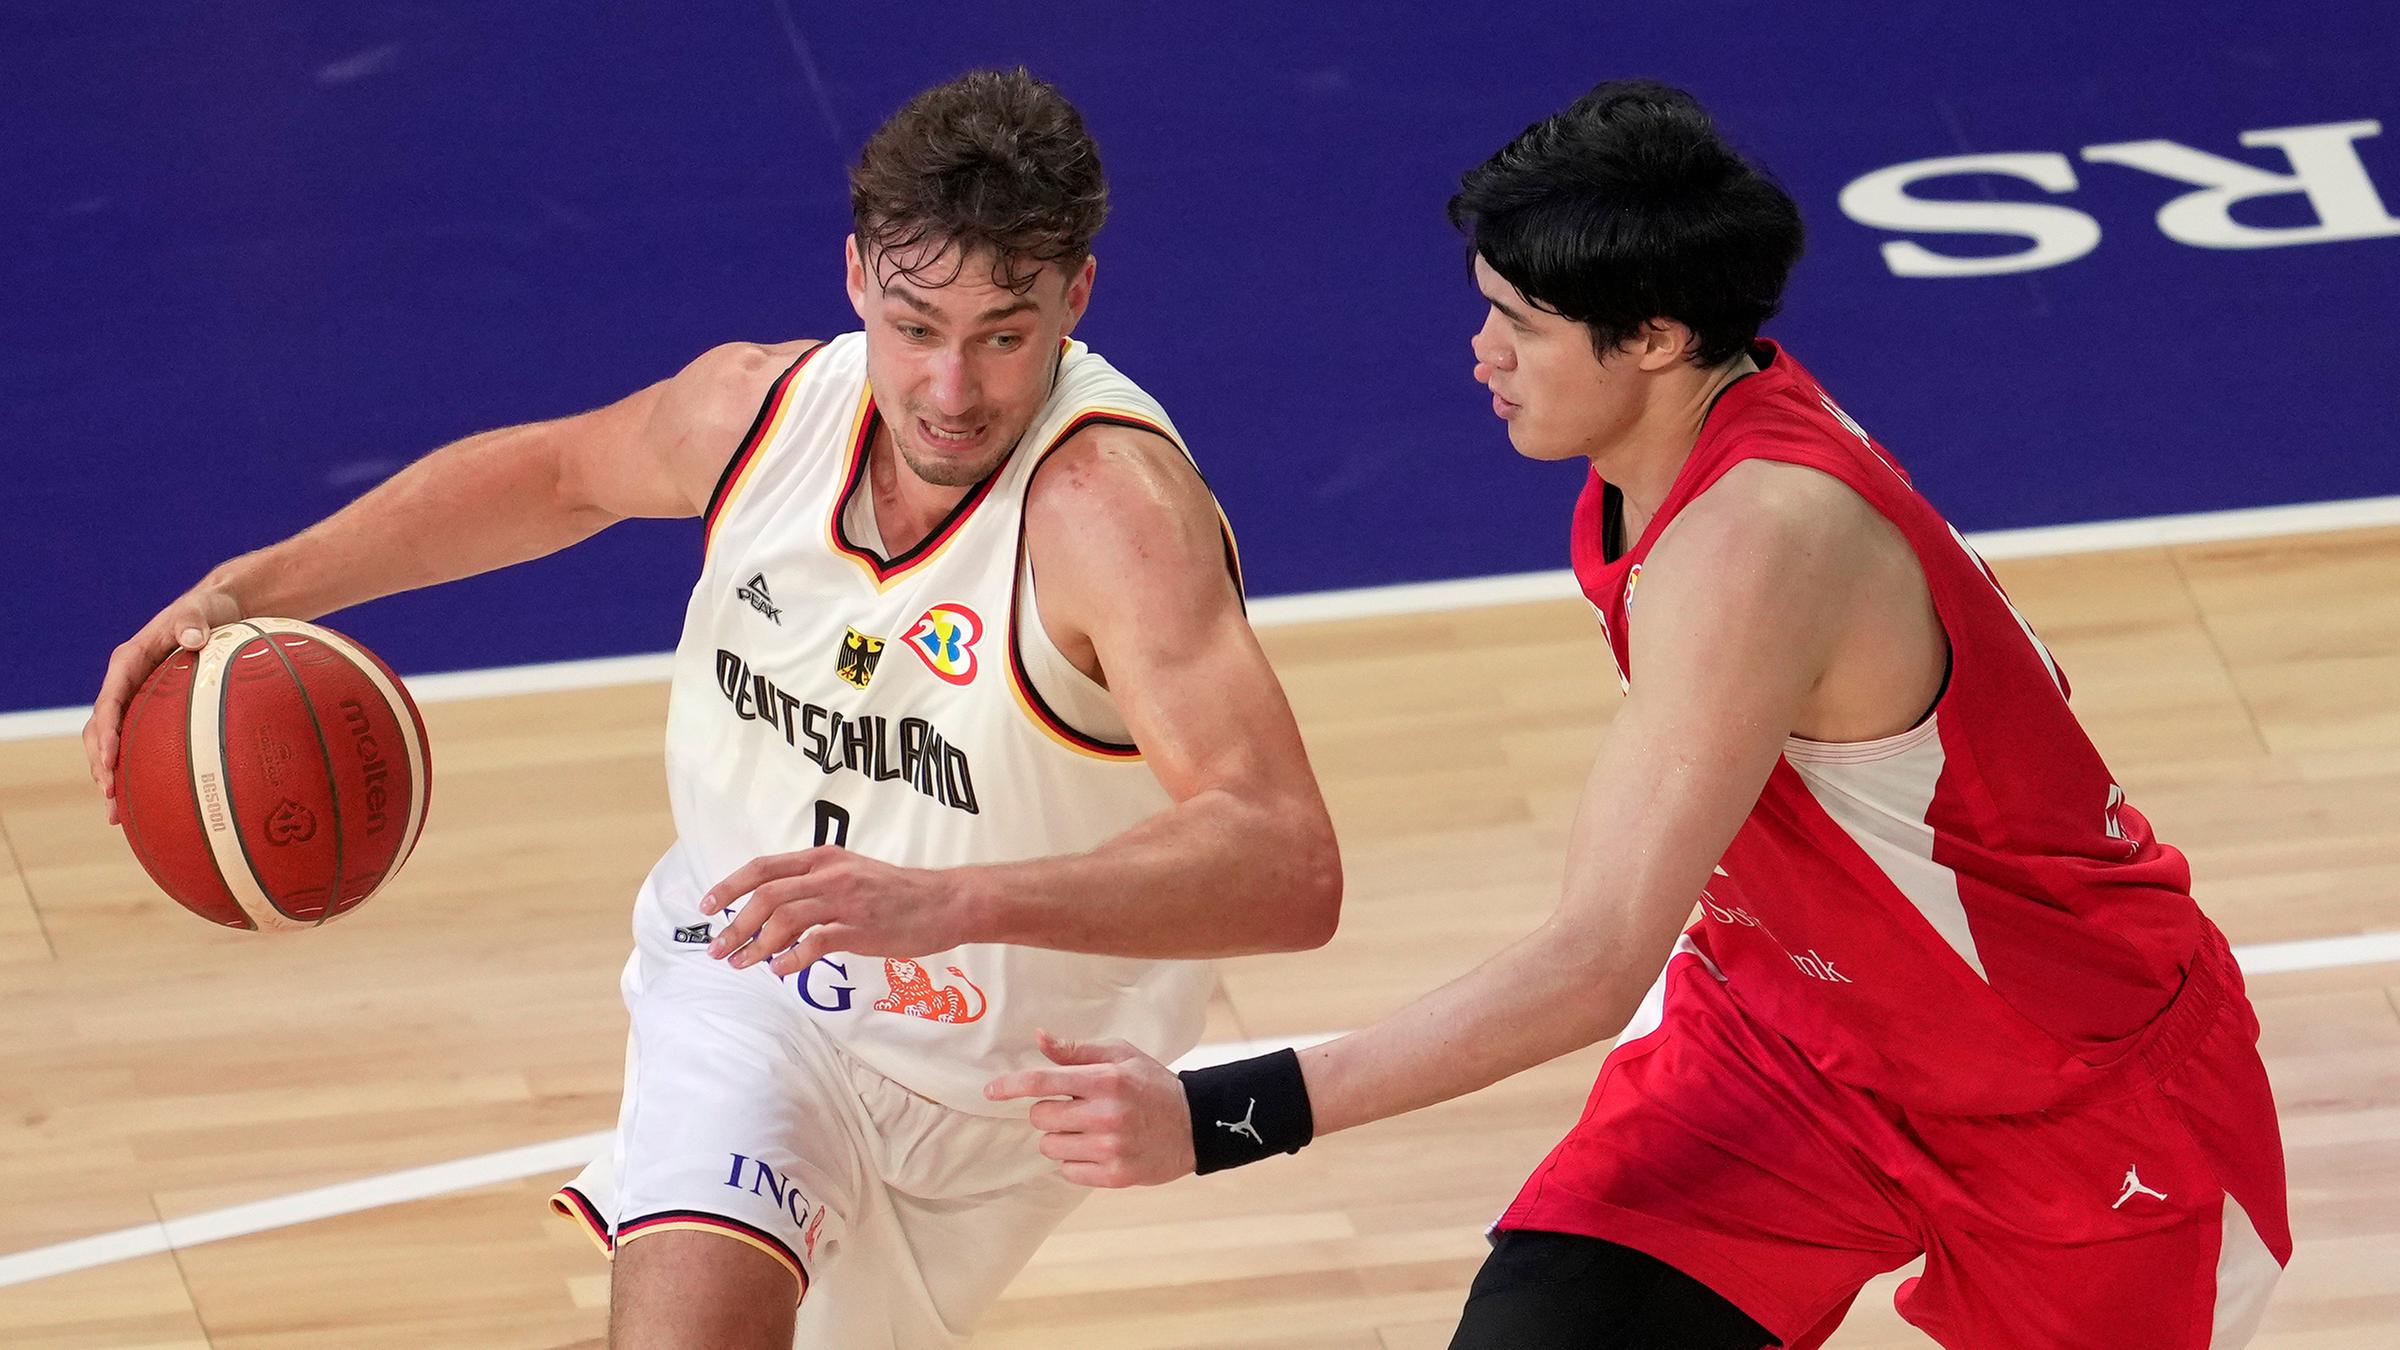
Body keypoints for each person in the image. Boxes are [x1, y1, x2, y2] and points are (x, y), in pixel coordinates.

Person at [989, 79, 2290, 1349]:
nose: (1481, 353)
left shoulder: (1756, 539)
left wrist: (1218, 1113)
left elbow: (1595, 963)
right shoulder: (1669, 454)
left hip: (2073, 1095)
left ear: (1658, 335)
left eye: (1522, 325)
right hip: (1789, 1049)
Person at [84, 68, 1340, 1350]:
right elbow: (558, 474)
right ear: (856, 279)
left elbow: (1290, 866)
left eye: (1002, 337)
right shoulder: (761, 411)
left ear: (1077, 298)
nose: (950, 391)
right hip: (752, 987)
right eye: (915, 328)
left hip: (1010, 1089)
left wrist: (949, 902)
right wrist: (245, 591)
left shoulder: (1111, 519)